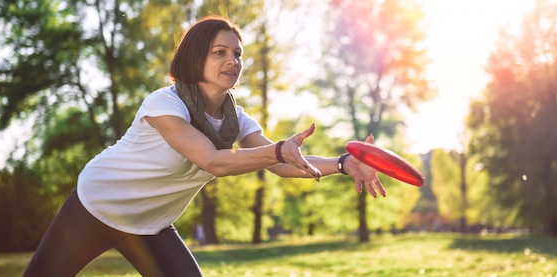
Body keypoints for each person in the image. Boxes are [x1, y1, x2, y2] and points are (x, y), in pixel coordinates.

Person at [23, 15, 385, 277]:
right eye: (220, 52)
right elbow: (212, 160)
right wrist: (276, 151)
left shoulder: (237, 118)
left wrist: (341, 164)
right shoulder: (165, 104)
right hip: (94, 208)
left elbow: (282, 162)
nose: (233, 60)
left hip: (151, 226)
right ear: (196, 58)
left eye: (238, 54)